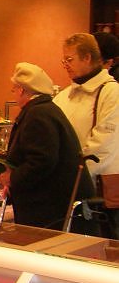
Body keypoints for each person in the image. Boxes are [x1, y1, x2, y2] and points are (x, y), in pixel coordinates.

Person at [0, 62, 96, 231]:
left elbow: (42, 160)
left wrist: (13, 178)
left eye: (14, 89)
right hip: (53, 200)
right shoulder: (45, 110)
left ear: (22, 90)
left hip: (49, 206)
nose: (14, 93)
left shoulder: (38, 114)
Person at [53, 33, 119, 239]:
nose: (65, 65)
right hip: (68, 185)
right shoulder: (64, 96)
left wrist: (74, 173)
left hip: (98, 190)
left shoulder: (111, 92)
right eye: (64, 60)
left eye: (69, 59)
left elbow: (104, 142)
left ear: (87, 57)